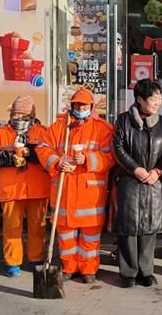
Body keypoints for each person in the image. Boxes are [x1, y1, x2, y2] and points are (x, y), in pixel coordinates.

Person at [36, 88, 115, 283]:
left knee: (90, 236)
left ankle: (89, 269)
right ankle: (69, 267)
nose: (80, 108)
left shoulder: (102, 129)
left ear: (91, 106)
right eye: (77, 105)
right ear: (72, 105)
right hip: (64, 192)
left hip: (90, 195)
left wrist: (87, 159)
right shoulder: (59, 127)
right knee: (65, 235)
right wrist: (57, 162)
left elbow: (110, 157)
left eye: (84, 105)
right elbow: (43, 148)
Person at [113, 79, 162, 288]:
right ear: (140, 100)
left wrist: (157, 171)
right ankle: (128, 272)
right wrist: (135, 169)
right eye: (153, 99)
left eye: (159, 98)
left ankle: (146, 271)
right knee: (129, 228)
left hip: (153, 182)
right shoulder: (123, 121)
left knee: (149, 227)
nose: (157, 103)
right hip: (130, 180)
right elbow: (118, 147)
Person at [0, 96, 50, 277]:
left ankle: (37, 258)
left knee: (37, 226)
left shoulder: (43, 132)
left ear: (32, 116)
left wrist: (30, 153)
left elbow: (48, 156)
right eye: (15, 114)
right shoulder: (1, 133)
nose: (19, 118)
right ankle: (12, 261)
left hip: (37, 188)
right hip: (11, 189)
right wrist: (11, 158)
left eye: (23, 115)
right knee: (12, 227)